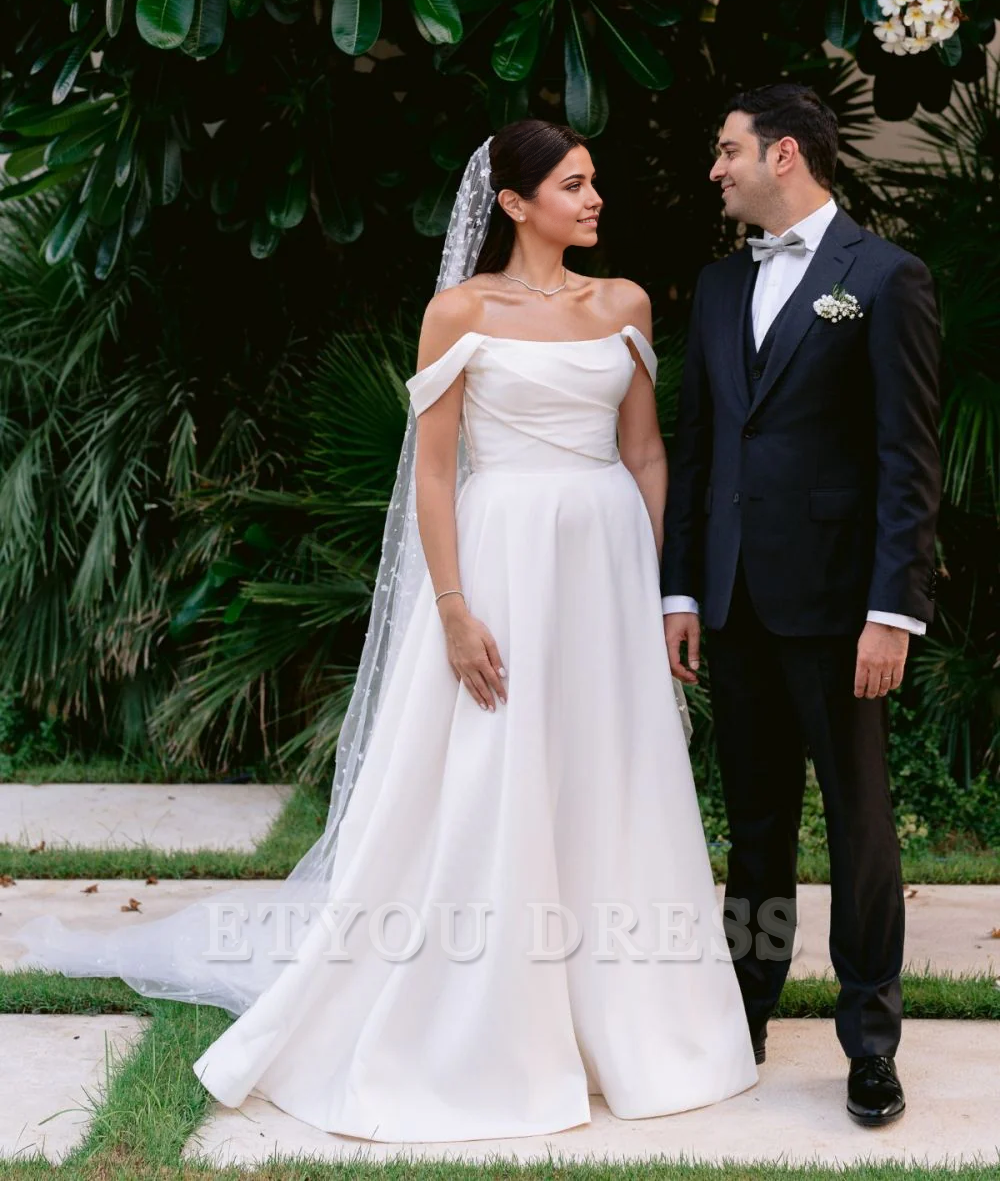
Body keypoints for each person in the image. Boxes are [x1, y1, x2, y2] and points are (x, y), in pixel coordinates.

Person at [15, 119, 758, 1142]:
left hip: (604, 569)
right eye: (574, 185)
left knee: (608, 772)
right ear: (513, 204)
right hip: (500, 562)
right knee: (493, 774)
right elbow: (439, 473)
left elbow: (645, 454)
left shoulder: (623, 305)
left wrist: (655, 582)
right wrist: (453, 609)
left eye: (594, 184)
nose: (594, 201)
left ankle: (629, 1021)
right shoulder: (457, 313)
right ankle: (485, 1023)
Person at [661, 84, 941, 1129]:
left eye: (726, 150)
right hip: (730, 603)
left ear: (783, 155)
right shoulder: (717, 285)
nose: (714, 168)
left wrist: (891, 610)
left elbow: (905, 461)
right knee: (758, 827)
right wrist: (682, 588)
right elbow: (699, 449)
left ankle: (870, 1043)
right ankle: (744, 1014)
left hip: (836, 609)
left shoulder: (883, 278)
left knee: (861, 823)